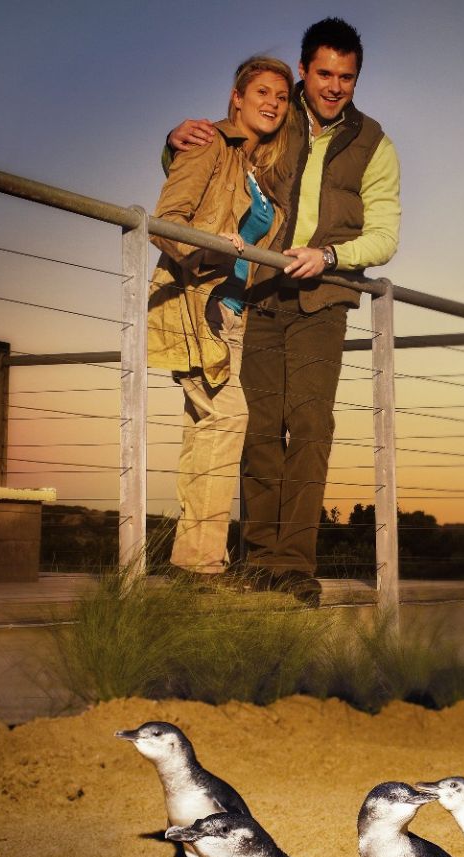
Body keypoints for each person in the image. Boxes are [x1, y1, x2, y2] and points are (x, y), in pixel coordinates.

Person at [168, 17, 401, 606]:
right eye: (323, 73)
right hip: (257, 295)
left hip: (324, 299)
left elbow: (385, 236)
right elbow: (215, 165)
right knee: (260, 427)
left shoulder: (374, 142)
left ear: (356, 78)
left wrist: (328, 255)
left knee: (312, 425)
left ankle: (293, 562)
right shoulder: (274, 110)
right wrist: (172, 143)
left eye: (345, 77)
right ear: (304, 70)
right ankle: (258, 558)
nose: (333, 86)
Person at [149, 56, 293, 583]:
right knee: (227, 419)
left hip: (235, 318)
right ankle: (203, 565)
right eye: (261, 91)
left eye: (281, 95)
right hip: (195, 304)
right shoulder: (210, 143)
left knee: (206, 431)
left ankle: (191, 563)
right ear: (237, 97)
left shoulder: (261, 176)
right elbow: (165, 224)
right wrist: (212, 248)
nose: (273, 101)